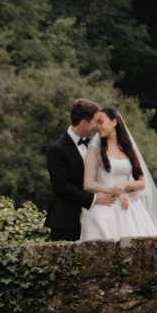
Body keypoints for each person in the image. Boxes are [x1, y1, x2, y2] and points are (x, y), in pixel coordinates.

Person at [79, 106, 157, 241]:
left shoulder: (129, 148)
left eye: (101, 122)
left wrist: (125, 184)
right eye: (96, 123)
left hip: (130, 206)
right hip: (106, 204)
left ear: (114, 122)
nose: (97, 126)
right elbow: (88, 183)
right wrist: (116, 192)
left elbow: (141, 183)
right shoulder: (94, 150)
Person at [44, 98, 108, 241]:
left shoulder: (95, 145)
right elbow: (61, 186)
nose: (97, 126)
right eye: (95, 122)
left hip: (95, 219)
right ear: (84, 123)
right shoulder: (57, 149)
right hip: (67, 222)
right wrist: (94, 198)